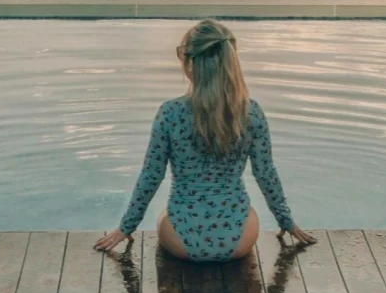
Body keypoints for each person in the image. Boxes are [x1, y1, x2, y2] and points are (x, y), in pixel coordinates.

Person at [94, 19, 315, 261]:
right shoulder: (250, 113)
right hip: (240, 236)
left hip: (179, 236)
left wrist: (125, 228)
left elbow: (151, 175)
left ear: (191, 63)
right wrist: (287, 222)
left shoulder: (170, 113)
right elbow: (265, 173)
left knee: (164, 214)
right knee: (247, 213)